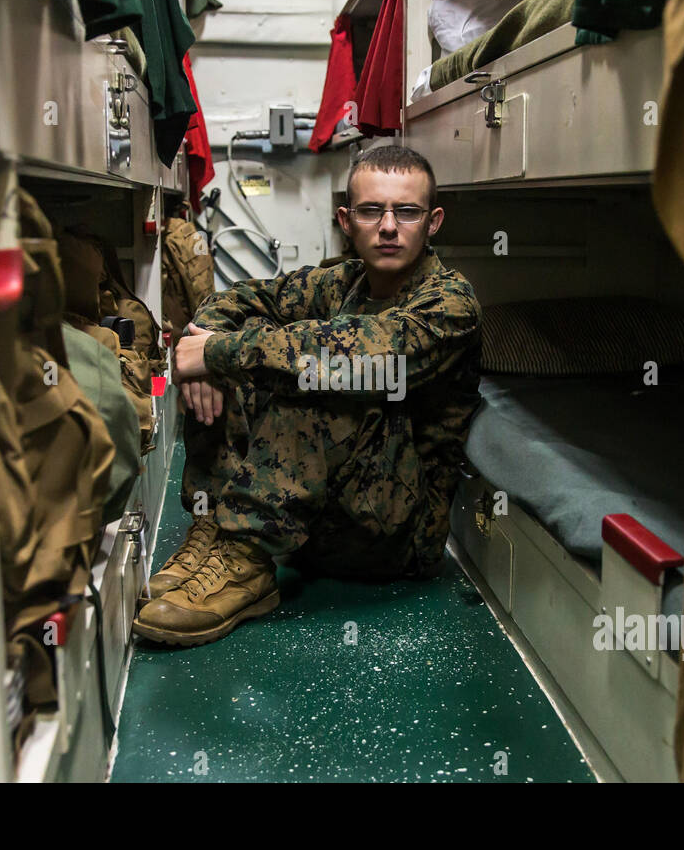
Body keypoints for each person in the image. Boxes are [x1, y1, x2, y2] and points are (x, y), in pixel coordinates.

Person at [132, 145, 482, 646]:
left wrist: (216, 353)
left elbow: (362, 358)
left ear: (434, 222)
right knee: (239, 349)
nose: (388, 226)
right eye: (370, 210)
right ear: (346, 219)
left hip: (395, 537)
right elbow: (241, 297)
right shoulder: (343, 280)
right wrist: (203, 341)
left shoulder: (450, 303)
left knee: (319, 374)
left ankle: (246, 563)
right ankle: (215, 530)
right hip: (323, 519)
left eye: (406, 211)